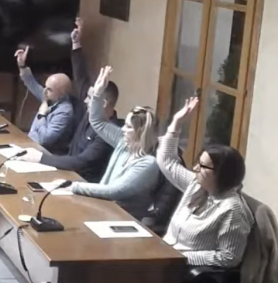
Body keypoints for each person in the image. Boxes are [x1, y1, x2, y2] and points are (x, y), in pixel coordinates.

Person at [158, 96, 252, 271]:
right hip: (163, 256)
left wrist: (181, 257)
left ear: (221, 173)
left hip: (182, 270)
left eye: (202, 166)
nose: (195, 168)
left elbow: (229, 257)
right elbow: (167, 163)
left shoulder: (232, 209)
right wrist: (177, 123)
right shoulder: (197, 185)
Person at [22, 18, 120, 182]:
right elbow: (81, 78)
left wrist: (41, 159)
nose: (86, 101)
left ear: (103, 104)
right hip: (65, 168)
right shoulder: (91, 111)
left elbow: (81, 162)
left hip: (81, 180)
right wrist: (76, 44)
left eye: (91, 98)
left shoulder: (109, 133)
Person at [62, 66, 160, 220]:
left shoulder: (148, 163)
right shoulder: (123, 143)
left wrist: (72, 186)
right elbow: (97, 121)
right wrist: (97, 94)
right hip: (101, 209)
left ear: (141, 133)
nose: (123, 129)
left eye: (129, 127)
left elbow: (115, 191)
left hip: (122, 219)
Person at [16, 45, 75, 155]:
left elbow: (45, 140)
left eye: (49, 89)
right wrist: (22, 65)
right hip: (30, 143)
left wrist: (41, 115)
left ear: (62, 93)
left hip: (44, 152)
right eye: (45, 87)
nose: (44, 91)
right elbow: (31, 83)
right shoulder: (50, 96)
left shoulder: (65, 111)